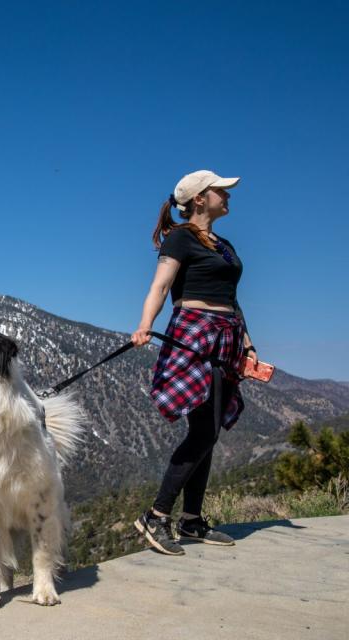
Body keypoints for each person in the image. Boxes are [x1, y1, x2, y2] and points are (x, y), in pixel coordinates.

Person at [131, 170, 256, 555]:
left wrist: (248, 344)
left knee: (209, 428)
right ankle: (156, 516)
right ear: (200, 198)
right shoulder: (180, 237)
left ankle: (191, 520)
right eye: (222, 190)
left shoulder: (224, 244)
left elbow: (232, 300)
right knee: (203, 431)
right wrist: (145, 325)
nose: (228, 195)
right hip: (195, 332)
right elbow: (161, 285)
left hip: (225, 334)